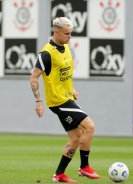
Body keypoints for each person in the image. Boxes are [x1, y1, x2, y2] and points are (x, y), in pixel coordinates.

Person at [30, 17, 100, 183]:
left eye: (71, 33)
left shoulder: (66, 46)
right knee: (89, 127)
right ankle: (84, 167)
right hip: (59, 101)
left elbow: (62, 74)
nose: (70, 36)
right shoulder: (47, 53)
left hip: (66, 97)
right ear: (56, 32)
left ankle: (59, 174)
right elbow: (33, 77)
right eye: (66, 34)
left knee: (76, 137)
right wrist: (38, 101)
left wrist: (71, 89)